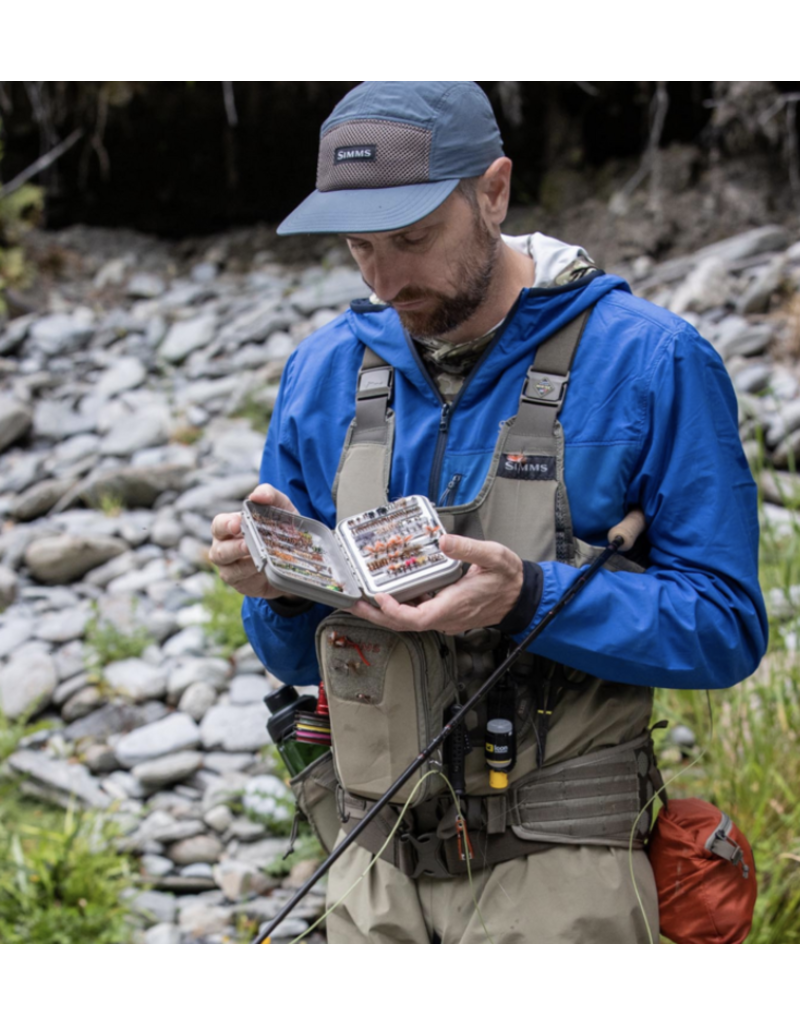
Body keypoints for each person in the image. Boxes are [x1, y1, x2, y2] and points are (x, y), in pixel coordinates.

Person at [210, 81, 768, 944]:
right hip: (369, 873)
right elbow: (293, 656)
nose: (388, 279)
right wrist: (278, 589)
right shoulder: (321, 375)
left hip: (563, 873)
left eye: (414, 238)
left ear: (494, 191)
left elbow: (726, 629)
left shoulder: (652, 363)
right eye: (361, 245)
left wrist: (526, 598)